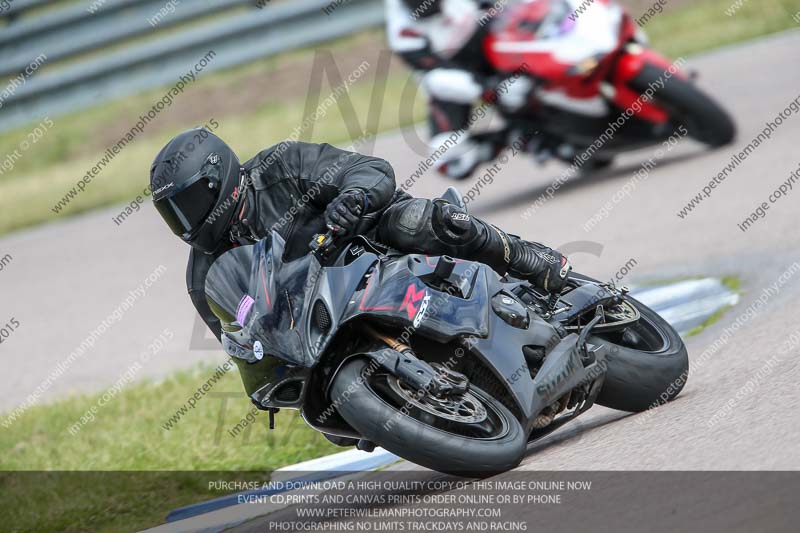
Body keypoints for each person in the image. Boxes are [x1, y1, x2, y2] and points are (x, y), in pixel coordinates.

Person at [151, 129, 571, 345]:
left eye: (186, 204)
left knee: (430, 223)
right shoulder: (203, 276)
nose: (184, 220)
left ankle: (524, 257)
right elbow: (238, 339)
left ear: (218, 176)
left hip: (374, 240)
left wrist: (352, 198)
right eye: (173, 213)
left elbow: (371, 170)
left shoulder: (282, 165)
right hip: (324, 312)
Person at [385, 0, 535, 179]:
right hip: (456, 76)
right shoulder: (402, 32)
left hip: (488, 39)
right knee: (449, 159)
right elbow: (435, 75)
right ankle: (516, 136)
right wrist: (491, 89)